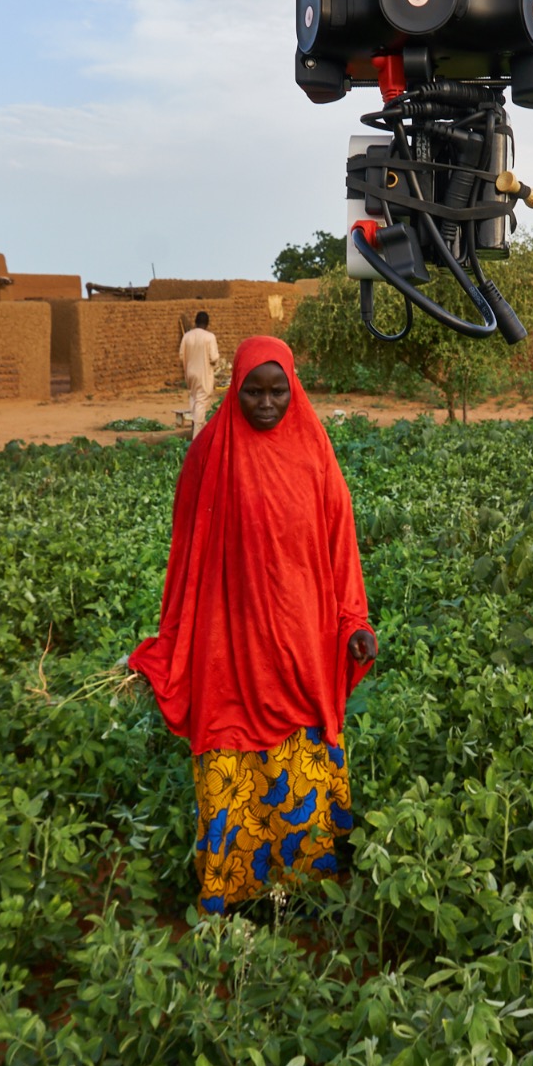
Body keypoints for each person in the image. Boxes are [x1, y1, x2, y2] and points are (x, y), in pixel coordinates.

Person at [130, 335, 378, 914]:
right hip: (231, 644)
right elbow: (186, 560)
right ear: (233, 388)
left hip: (304, 640)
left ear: (294, 389)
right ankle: (236, 886)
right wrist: (175, 643)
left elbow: (341, 550)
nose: (266, 404)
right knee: (231, 740)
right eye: (253, 392)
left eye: (277, 392)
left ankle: (304, 881)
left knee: (301, 747)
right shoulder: (209, 455)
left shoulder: (315, 454)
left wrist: (352, 624)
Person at [179, 310, 220, 439]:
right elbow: (213, 358)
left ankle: (202, 429)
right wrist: (216, 362)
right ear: (207, 324)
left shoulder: (187, 336)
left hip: (190, 373)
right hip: (203, 374)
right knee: (201, 402)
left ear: (196, 322)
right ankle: (196, 438)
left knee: (194, 398)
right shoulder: (209, 337)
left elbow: (181, 355)